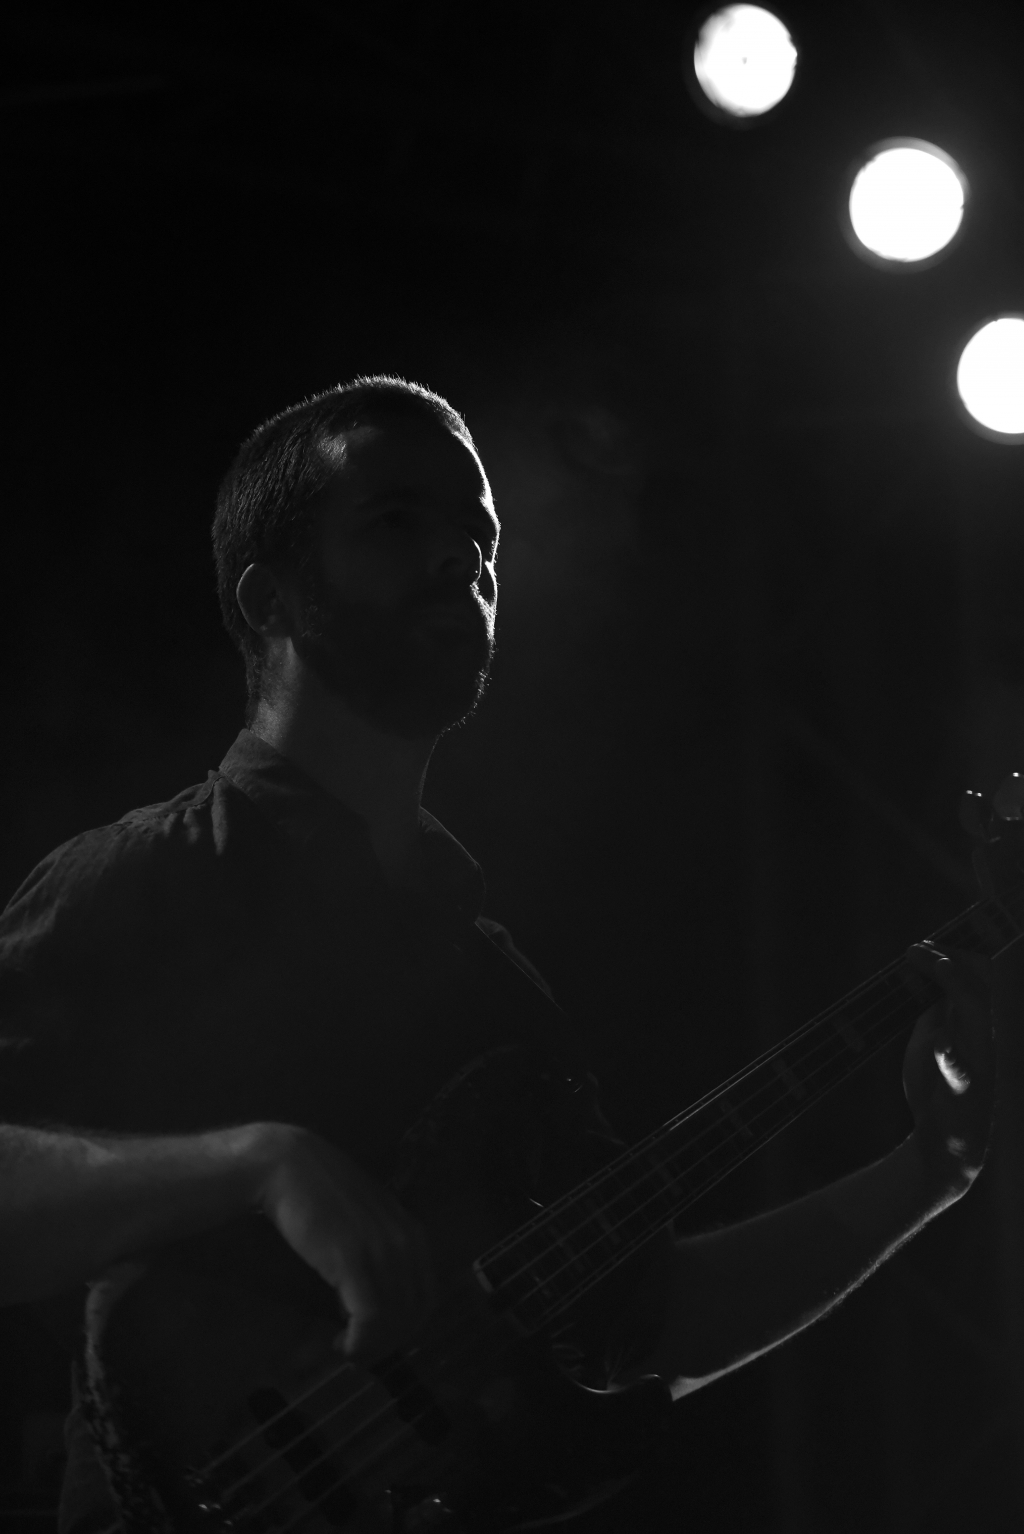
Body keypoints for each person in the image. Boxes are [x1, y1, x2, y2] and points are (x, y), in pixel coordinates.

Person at [0, 377, 994, 1533]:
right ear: (267, 597)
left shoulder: (490, 981)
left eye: (480, 536)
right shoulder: (144, 877)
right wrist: (254, 1164)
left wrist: (930, 1171)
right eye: (397, 521)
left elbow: (641, 1329)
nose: (460, 560)